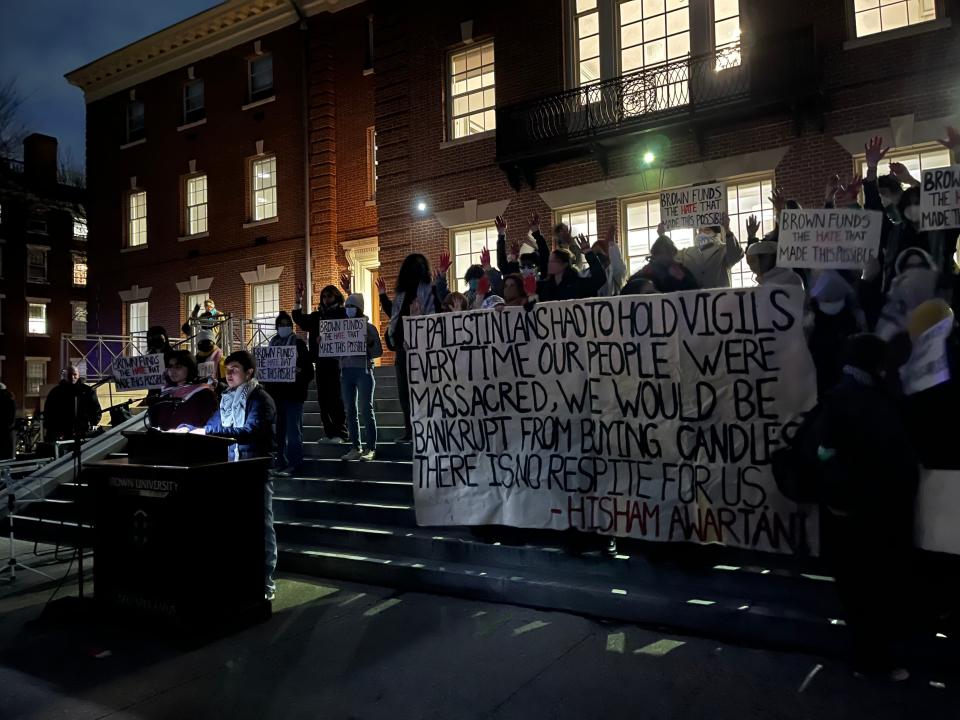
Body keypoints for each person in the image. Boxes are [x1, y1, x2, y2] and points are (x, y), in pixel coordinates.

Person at [816, 334, 918, 681]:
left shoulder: (840, 397)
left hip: (849, 515)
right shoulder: (872, 400)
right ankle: (875, 659)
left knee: (859, 592)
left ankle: (868, 657)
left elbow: (825, 456)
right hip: (869, 514)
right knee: (872, 590)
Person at [182, 350, 278, 600]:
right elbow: (213, 425)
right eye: (227, 368)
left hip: (254, 468)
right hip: (230, 469)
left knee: (261, 527)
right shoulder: (225, 398)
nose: (230, 373)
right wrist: (193, 430)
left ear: (249, 373)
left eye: (235, 368)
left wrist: (213, 433)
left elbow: (250, 430)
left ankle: (265, 582)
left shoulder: (260, 399)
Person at [378, 253, 440, 442]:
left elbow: (436, 312)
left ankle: (425, 429)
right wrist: (382, 295)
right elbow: (394, 315)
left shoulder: (429, 289)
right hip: (402, 349)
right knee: (404, 392)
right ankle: (410, 430)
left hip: (422, 348)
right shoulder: (401, 294)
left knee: (422, 390)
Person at [293, 281, 349, 443]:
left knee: (336, 397)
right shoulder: (318, 316)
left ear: (336, 297)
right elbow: (300, 320)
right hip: (320, 361)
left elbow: (355, 320)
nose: (326, 299)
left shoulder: (342, 313)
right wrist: (298, 300)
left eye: (329, 296)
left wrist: (349, 291)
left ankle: (341, 432)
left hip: (337, 362)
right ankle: (330, 432)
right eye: (323, 296)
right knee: (323, 399)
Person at [263, 311, 314, 475]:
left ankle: (295, 464)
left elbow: (308, 372)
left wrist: (298, 371)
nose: (284, 327)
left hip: (294, 394)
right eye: (281, 324)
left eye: (287, 324)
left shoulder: (299, 345)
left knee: (293, 431)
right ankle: (281, 462)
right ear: (276, 327)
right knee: (280, 432)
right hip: (277, 395)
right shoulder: (271, 347)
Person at [339, 293, 384, 461]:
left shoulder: (369, 327)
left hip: (363, 371)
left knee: (366, 409)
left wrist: (369, 343)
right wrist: (326, 344)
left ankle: (370, 447)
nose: (349, 310)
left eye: (352, 307)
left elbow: (378, 352)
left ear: (359, 309)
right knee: (350, 410)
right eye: (347, 307)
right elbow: (337, 354)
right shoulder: (341, 327)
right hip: (346, 372)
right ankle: (355, 447)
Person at [147, 350, 217, 430]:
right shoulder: (165, 393)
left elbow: (208, 424)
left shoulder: (204, 394)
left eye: (178, 366)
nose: (172, 370)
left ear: (190, 368)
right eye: (170, 366)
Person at [675, 213, 744, 289]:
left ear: (715, 233)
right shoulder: (686, 253)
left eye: (707, 230)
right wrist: (662, 236)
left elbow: (736, 254)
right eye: (700, 230)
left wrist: (727, 230)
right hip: (694, 299)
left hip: (719, 298)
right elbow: (669, 259)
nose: (702, 233)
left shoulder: (724, 249)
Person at [621, 232, 698, 295]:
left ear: (673, 253)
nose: (664, 256)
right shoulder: (647, 271)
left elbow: (696, 291)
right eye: (660, 252)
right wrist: (643, 284)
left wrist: (683, 278)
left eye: (667, 252)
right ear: (655, 254)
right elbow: (628, 290)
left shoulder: (679, 270)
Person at [43, 365, 102, 441]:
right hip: (62, 432)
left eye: (74, 374)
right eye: (69, 375)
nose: (72, 377)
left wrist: (93, 423)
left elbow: (96, 409)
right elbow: (48, 411)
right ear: (66, 376)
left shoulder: (88, 391)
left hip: (83, 431)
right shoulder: (56, 392)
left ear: (78, 375)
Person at [590, 226, 629, 297]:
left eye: (601, 255)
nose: (601, 259)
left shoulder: (616, 271)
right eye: (598, 256)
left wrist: (612, 246)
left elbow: (619, 270)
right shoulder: (591, 273)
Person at [0, 383, 16, 460]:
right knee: (8, 458)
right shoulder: (10, 400)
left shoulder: (7, 401)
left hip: (5, 432)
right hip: (9, 432)